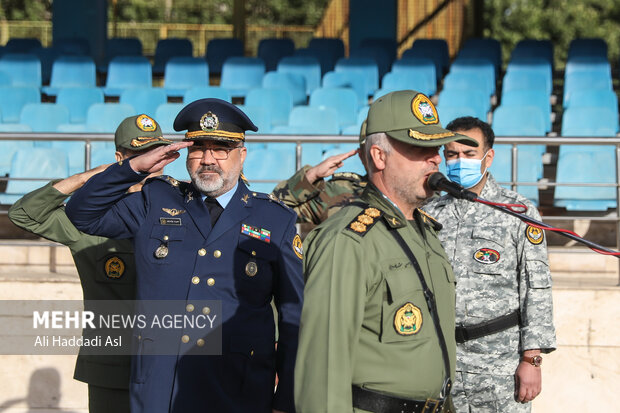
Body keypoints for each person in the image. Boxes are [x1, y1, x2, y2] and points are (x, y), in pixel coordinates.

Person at [64, 98, 304, 413]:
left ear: (241, 156)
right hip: (160, 388)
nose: (208, 159)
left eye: (220, 149)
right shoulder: (156, 200)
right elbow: (82, 214)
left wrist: (285, 400)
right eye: (197, 149)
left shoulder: (274, 219)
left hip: (238, 391)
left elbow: (293, 317)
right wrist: (132, 168)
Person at [294, 90, 479, 412]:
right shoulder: (348, 241)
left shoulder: (424, 231)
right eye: (419, 148)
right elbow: (322, 368)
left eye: (435, 148)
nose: (435, 158)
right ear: (379, 157)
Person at [8, 114, 173, 413]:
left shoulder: (181, 211)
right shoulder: (88, 219)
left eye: (156, 154)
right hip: (112, 366)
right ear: (120, 158)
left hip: (171, 362)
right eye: (140, 156)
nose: (151, 163)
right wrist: (95, 176)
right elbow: (23, 213)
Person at [423, 116, 556, 412]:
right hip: (439, 360)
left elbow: (536, 287)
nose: (460, 161)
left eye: (469, 154)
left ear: (488, 156)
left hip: (499, 364)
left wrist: (531, 359)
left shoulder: (517, 211)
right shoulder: (428, 213)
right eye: (452, 154)